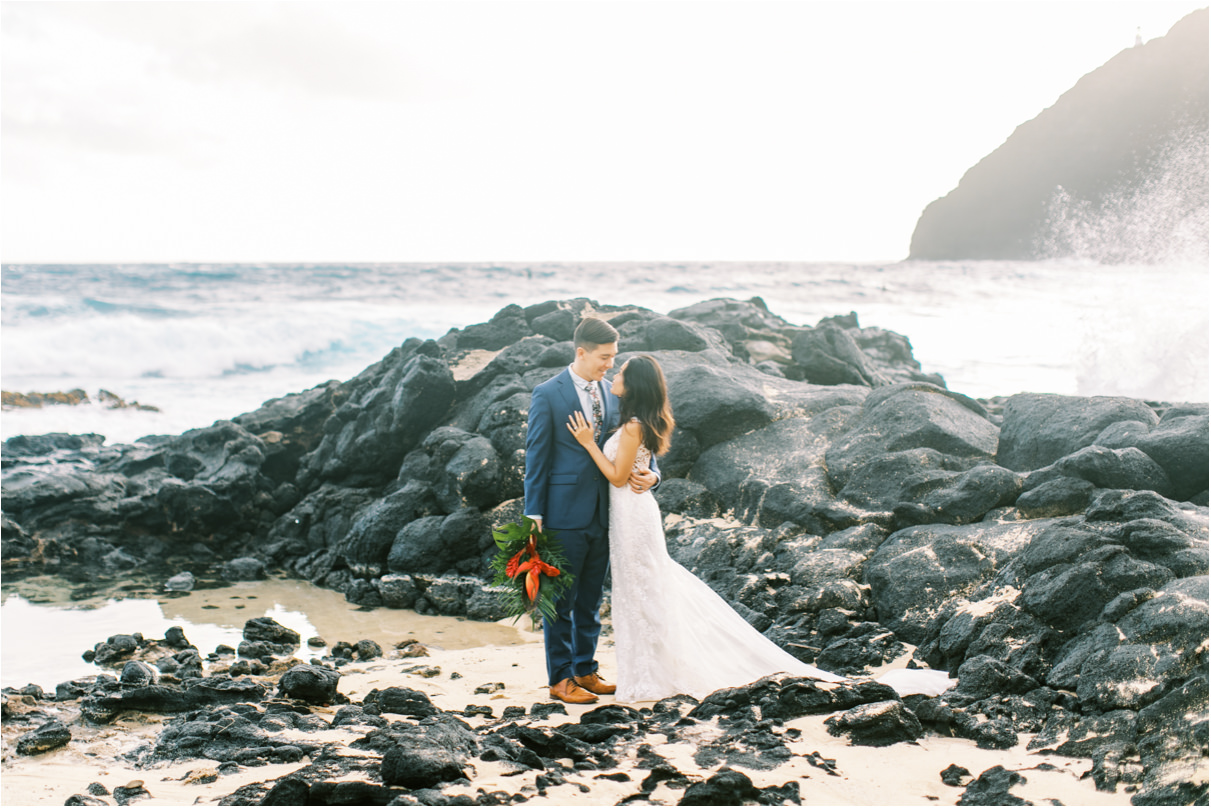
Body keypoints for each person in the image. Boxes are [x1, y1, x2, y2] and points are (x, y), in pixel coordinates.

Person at [567, 354, 953, 703]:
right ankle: (650, 671)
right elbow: (637, 468)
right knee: (644, 589)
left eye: (621, 372)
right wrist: (649, 475)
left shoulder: (634, 426)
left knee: (645, 588)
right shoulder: (637, 423)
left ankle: (654, 675)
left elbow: (618, 477)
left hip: (633, 516)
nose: (614, 375)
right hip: (631, 515)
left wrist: (588, 444)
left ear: (635, 386)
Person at [524, 317, 660, 704]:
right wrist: (533, 516)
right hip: (563, 512)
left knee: (589, 599)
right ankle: (560, 678)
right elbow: (537, 458)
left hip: (609, 513)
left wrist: (654, 475)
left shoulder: (613, 392)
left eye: (613, 357)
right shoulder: (548, 393)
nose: (610, 365)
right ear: (581, 352)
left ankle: (585, 670)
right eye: (604, 357)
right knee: (560, 601)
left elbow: (638, 440)